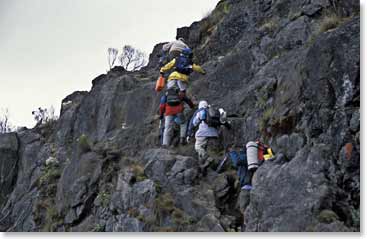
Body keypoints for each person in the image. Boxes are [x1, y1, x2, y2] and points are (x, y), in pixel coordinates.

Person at [187, 100, 230, 171]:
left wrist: (189, 134)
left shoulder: (201, 111)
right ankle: (208, 164)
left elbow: (194, 123)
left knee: (198, 147)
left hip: (203, 132)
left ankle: (207, 159)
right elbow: (223, 121)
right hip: (215, 133)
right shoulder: (213, 112)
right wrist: (228, 126)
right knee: (212, 150)